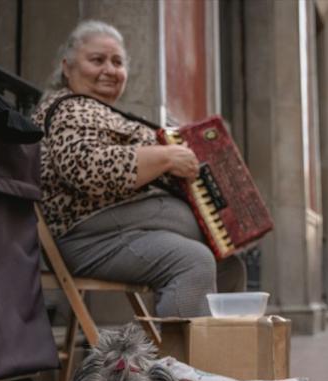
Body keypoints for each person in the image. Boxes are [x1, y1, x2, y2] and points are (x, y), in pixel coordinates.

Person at [32, 21, 245, 318]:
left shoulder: (102, 111)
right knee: (192, 261)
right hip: (89, 237)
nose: (109, 69)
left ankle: (218, 354)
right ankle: (178, 363)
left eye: (117, 62)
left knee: (229, 265)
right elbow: (86, 169)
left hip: (125, 231)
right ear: (67, 67)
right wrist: (166, 158)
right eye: (97, 60)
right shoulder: (67, 108)